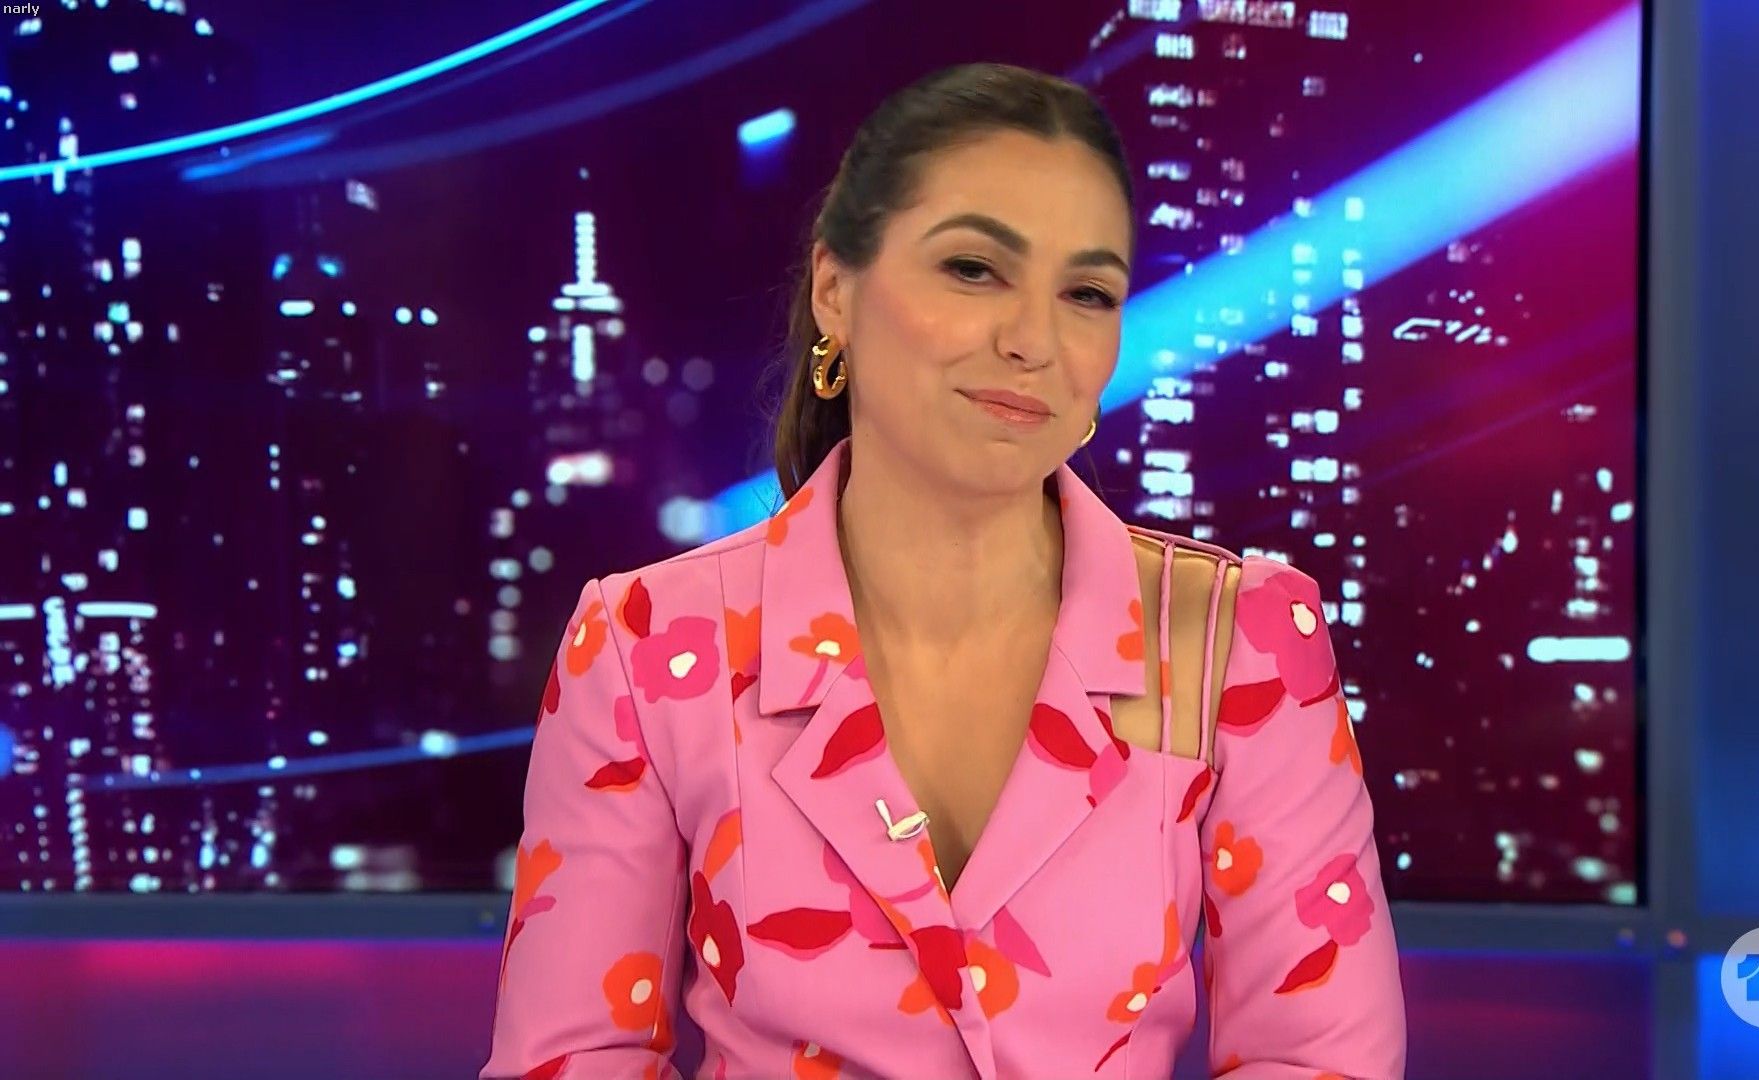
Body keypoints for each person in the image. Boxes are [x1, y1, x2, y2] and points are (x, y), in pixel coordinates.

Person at [482, 62, 1405, 1080]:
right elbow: (573, 1059)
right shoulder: (647, 647)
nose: (1033, 341)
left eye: (1086, 293)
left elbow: (1317, 1061)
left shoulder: (1240, 644)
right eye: (974, 269)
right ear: (835, 290)